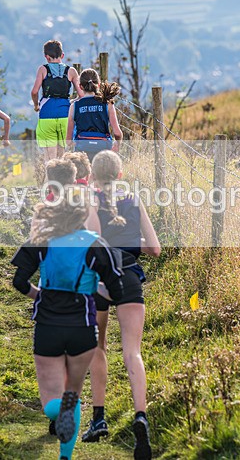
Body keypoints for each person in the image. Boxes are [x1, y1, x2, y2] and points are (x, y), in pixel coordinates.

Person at [10, 186, 124, 460]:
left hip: (47, 326)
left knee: (51, 402)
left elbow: (18, 282)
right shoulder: (96, 244)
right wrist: (92, 287)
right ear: (83, 213)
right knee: (73, 391)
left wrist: (39, 295)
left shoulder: (41, 240)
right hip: (83, 328)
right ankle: (65, 456)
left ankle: (58, 409)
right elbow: (117, 291)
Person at [82, 151, 161, 460]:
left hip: (100, 280)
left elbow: (95, 244)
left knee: (97, 347)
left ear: (92, 175)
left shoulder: (90, 201)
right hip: (129, 277)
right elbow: (154, 248)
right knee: (133, 352)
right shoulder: (135, 200)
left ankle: (98, 419)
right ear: (120, 174)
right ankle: (141, 416)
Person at [30, 40, 83, 164]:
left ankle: (50, 176)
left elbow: (34, 92)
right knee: (62, 153)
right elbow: (81, 94)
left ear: (46, 57)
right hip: (65, 114)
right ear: (62, 55)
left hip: (46, 114)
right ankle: (62, 175)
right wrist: (71, 102)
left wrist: (36, 105)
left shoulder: (43, 69)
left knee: (50, 156)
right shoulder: (71, 71)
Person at [66, 69, 123, 162]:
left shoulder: (74, 106)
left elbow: (68, 141)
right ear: (99, 85)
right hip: (103, 150)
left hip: (82, 152)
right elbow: (117, 133)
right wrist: (118, 143)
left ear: (80, 86)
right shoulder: (107, 104)